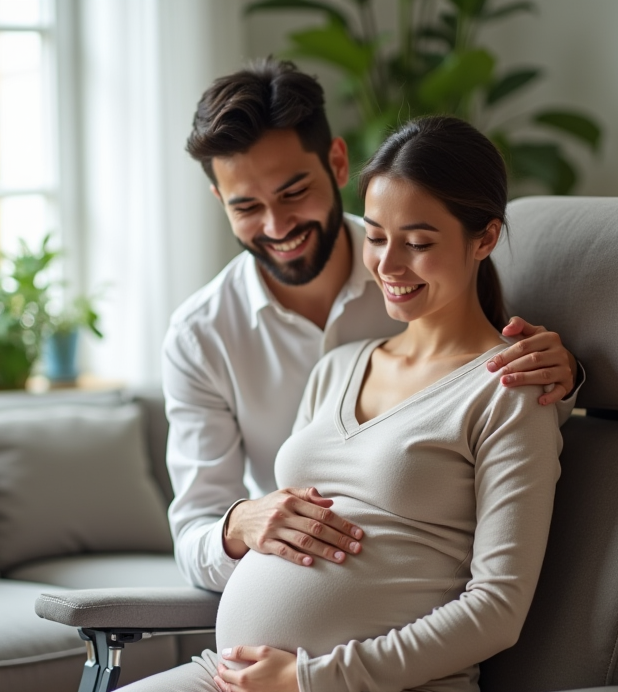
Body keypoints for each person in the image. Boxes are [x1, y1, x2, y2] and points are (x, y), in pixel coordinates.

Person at [0, 115, 565, 692]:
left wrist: (308, 676)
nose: (388, 265)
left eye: (418, 243)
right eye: (376, 236)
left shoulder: (512, 390)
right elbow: (234, 526)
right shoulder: (340, 365)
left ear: (485, 238)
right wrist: (247, 541)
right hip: (239, 674)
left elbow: (497, 608)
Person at [163, 58, 577, 590]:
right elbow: (194, 531)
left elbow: (494, 396)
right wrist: (239, 524)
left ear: (337, 163)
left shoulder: (424, 267)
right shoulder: (200, 336)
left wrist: (565, 377)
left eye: (293, 193)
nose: (277, 226)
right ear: (220, 200)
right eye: (246, 208)